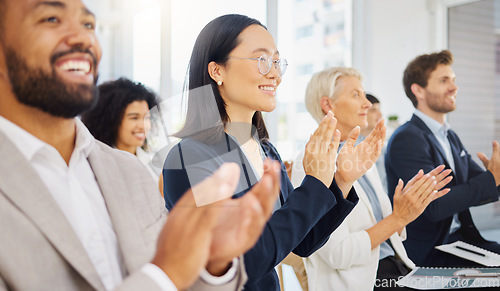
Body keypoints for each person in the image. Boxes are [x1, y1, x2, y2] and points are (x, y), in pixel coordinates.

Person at [0, 0, 283, 289]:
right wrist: (166, 273)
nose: (83, 37)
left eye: (88, 24)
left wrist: (214, 264)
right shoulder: (189, 155)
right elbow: (168, 274)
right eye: (51, 19)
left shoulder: (129, 172)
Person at [162, 14, 386, 291]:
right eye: (262, 60)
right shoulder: (190, 157)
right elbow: (241, 262)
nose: (275, 74)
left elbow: (302, 242)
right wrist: (314, 184)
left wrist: (341, 181)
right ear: (217, 71)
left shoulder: (266, 150)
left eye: (277, 62)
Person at [292, 67, 452, 290]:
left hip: (397, 267)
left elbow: (388, 231)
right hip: (364, 282)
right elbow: (338, 254)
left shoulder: (361, 151)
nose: (367, 103)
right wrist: (397, 218)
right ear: (328, 105)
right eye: (356, 95)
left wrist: (408, 208)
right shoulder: (309, 163)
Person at [385, 50, 500, 267]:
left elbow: (477, 184)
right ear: (418, 90)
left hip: (458, 241)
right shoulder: (407, 138)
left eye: (453, 80)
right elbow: (433, 206)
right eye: (444, 80)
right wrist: (491, 178)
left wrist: (496, 176)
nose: (454, 87)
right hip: (428, 253)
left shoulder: (449, 136)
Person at [81, 77, 163, 191]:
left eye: (147, 117)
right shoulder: (94, 164)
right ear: (111, 120)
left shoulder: (154, 163)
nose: (143, 125)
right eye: (134, 117)